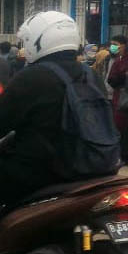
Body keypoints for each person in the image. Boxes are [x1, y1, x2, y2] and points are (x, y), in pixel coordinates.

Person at [0, 12, 112, 209]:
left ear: (38, 41)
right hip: (97, 166)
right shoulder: (91, 75)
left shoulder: (30, 78)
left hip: (42, 173)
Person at [108, 37, 128, 166]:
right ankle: (120, 155)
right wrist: (124, 77)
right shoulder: (119, 62)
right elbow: (111, 79)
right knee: (120, 125)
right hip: (122, 98)